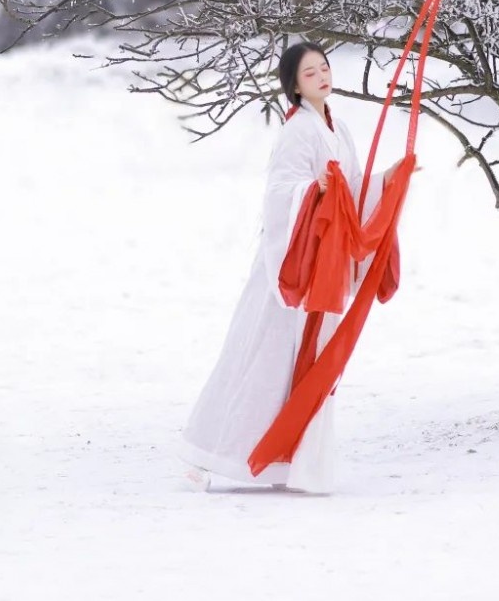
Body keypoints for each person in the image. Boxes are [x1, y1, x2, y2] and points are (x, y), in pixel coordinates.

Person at [175, 42, 415, 494]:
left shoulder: (337, 127)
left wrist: (387, 180)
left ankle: (285, 460)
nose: (322, 76)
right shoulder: (298, 131)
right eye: (310, 73)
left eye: (324, 67)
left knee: (300, 365)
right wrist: (313, 189)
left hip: (324, 263)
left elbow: (354, 189)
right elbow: (280, 190)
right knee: (262, 359)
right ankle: (211, 453)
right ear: (294, 85)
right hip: (290, 268)